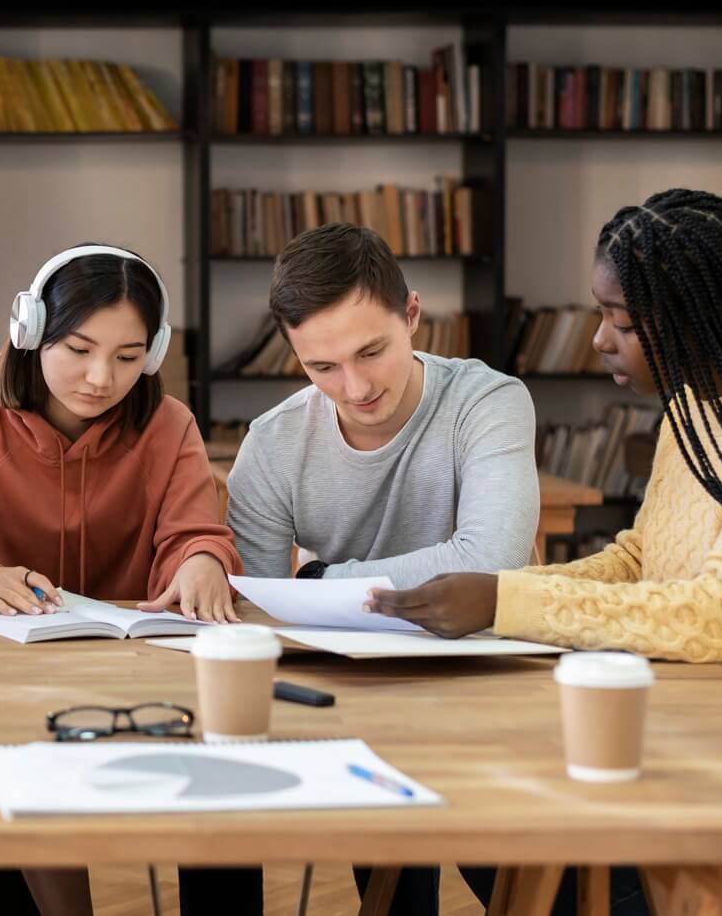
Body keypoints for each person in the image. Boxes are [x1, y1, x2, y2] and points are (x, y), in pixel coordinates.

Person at [0, 244, 246, 915]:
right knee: (17, 755)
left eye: (128, 357)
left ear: (155, 355)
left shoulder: (170, 428)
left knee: (228, 766)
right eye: (78, 348)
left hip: (143, 683)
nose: (101, 377)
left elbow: (195, 534)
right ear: (30, 331)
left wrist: (203, 558)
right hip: (2, 686)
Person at [225, 222, 540, 916]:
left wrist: (321, 581)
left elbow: (487, 563)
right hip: (352, 693)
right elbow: (257, 609)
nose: (356, 386)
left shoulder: (488, 402)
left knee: (522, 881)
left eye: (373, 351)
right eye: (322, 367)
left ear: (413, 316)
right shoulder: (272, 446)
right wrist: (297, 592)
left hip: (485, 687)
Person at [370, 189, 722, 695]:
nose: (599, 341)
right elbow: (640, 561)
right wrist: (502, 591)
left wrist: (507, 605)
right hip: (672, 696)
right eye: (601, 314)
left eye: (625, 323)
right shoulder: (690, 410)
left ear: (706, 319)